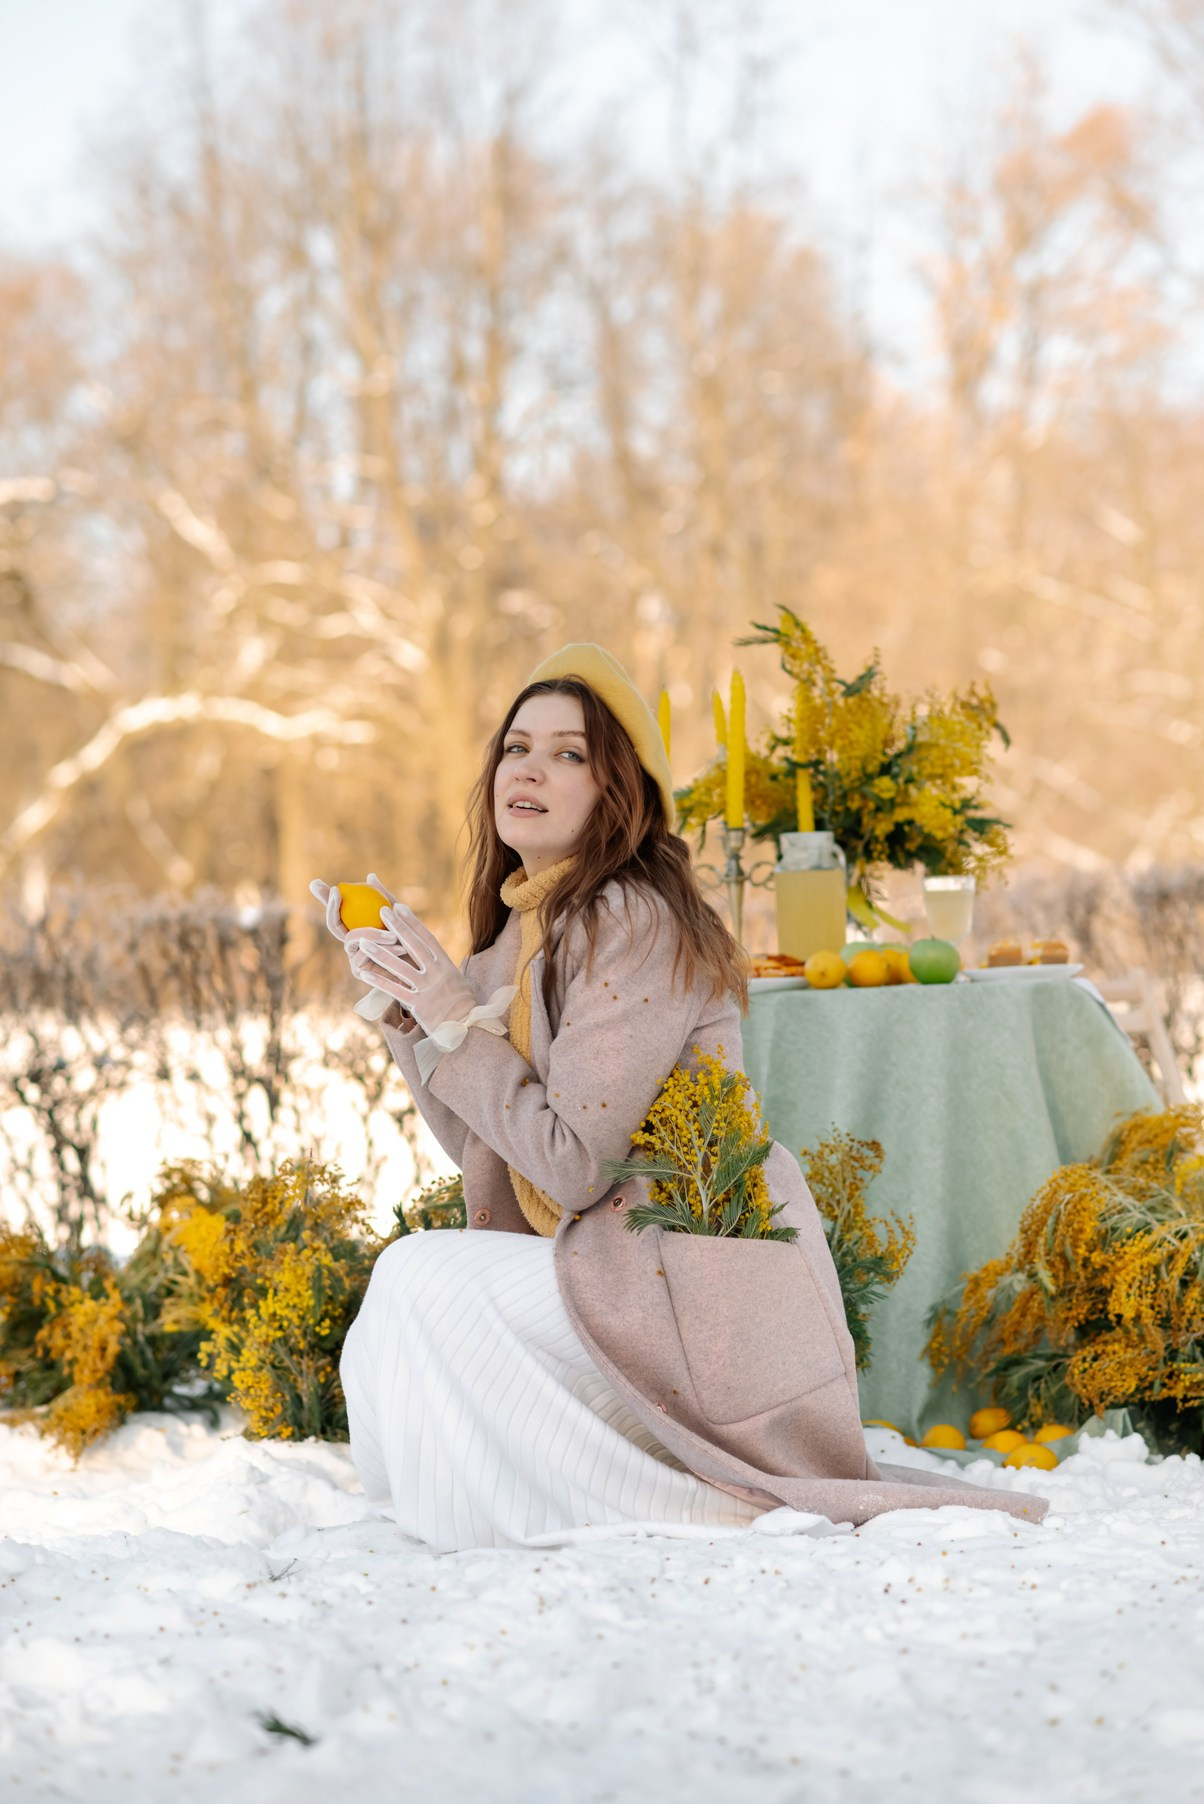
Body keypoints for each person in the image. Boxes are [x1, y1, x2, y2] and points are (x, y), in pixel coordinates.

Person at [312, 644, 1047, 1551]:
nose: (530, 769)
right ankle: (440, 1516)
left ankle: (512, 1514)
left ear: (617, 791)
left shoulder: (633, 921)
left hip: (673, 1275)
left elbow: (575, 1168)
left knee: (420, 1275)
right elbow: (483, 1140)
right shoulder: (513, 934)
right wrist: (412, 1015)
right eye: (516, 747)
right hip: (599, 1258)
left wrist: (456, 1021)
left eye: (570, 754)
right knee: (404, 1289)